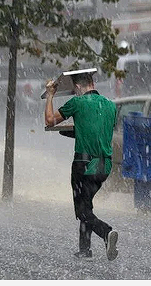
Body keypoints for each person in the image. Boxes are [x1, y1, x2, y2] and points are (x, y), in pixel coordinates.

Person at [44, 71, 119, 261]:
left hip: (84, 165)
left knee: (82, 211)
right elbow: (97, 131)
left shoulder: (77, 103)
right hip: (104, 166)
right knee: (86, 204)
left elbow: (50, 120)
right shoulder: (110, 105)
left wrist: (51, 95)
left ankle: (106, 232)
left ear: (77, 87)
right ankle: (85, 249)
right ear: (93, 82)